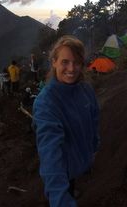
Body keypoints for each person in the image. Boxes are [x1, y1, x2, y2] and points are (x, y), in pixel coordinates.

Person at [33, 35, 100, 207]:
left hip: (81, 157)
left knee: (73, 180)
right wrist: (61, 200)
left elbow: (94, 119)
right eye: (65, 62)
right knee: (67, 184)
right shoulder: (46, 103)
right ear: (54, 62)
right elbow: (50, 153)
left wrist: (94, 145)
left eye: (77, 62)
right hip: (65, 166)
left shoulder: (85, 89)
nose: (71, 68)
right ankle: (69, 191)